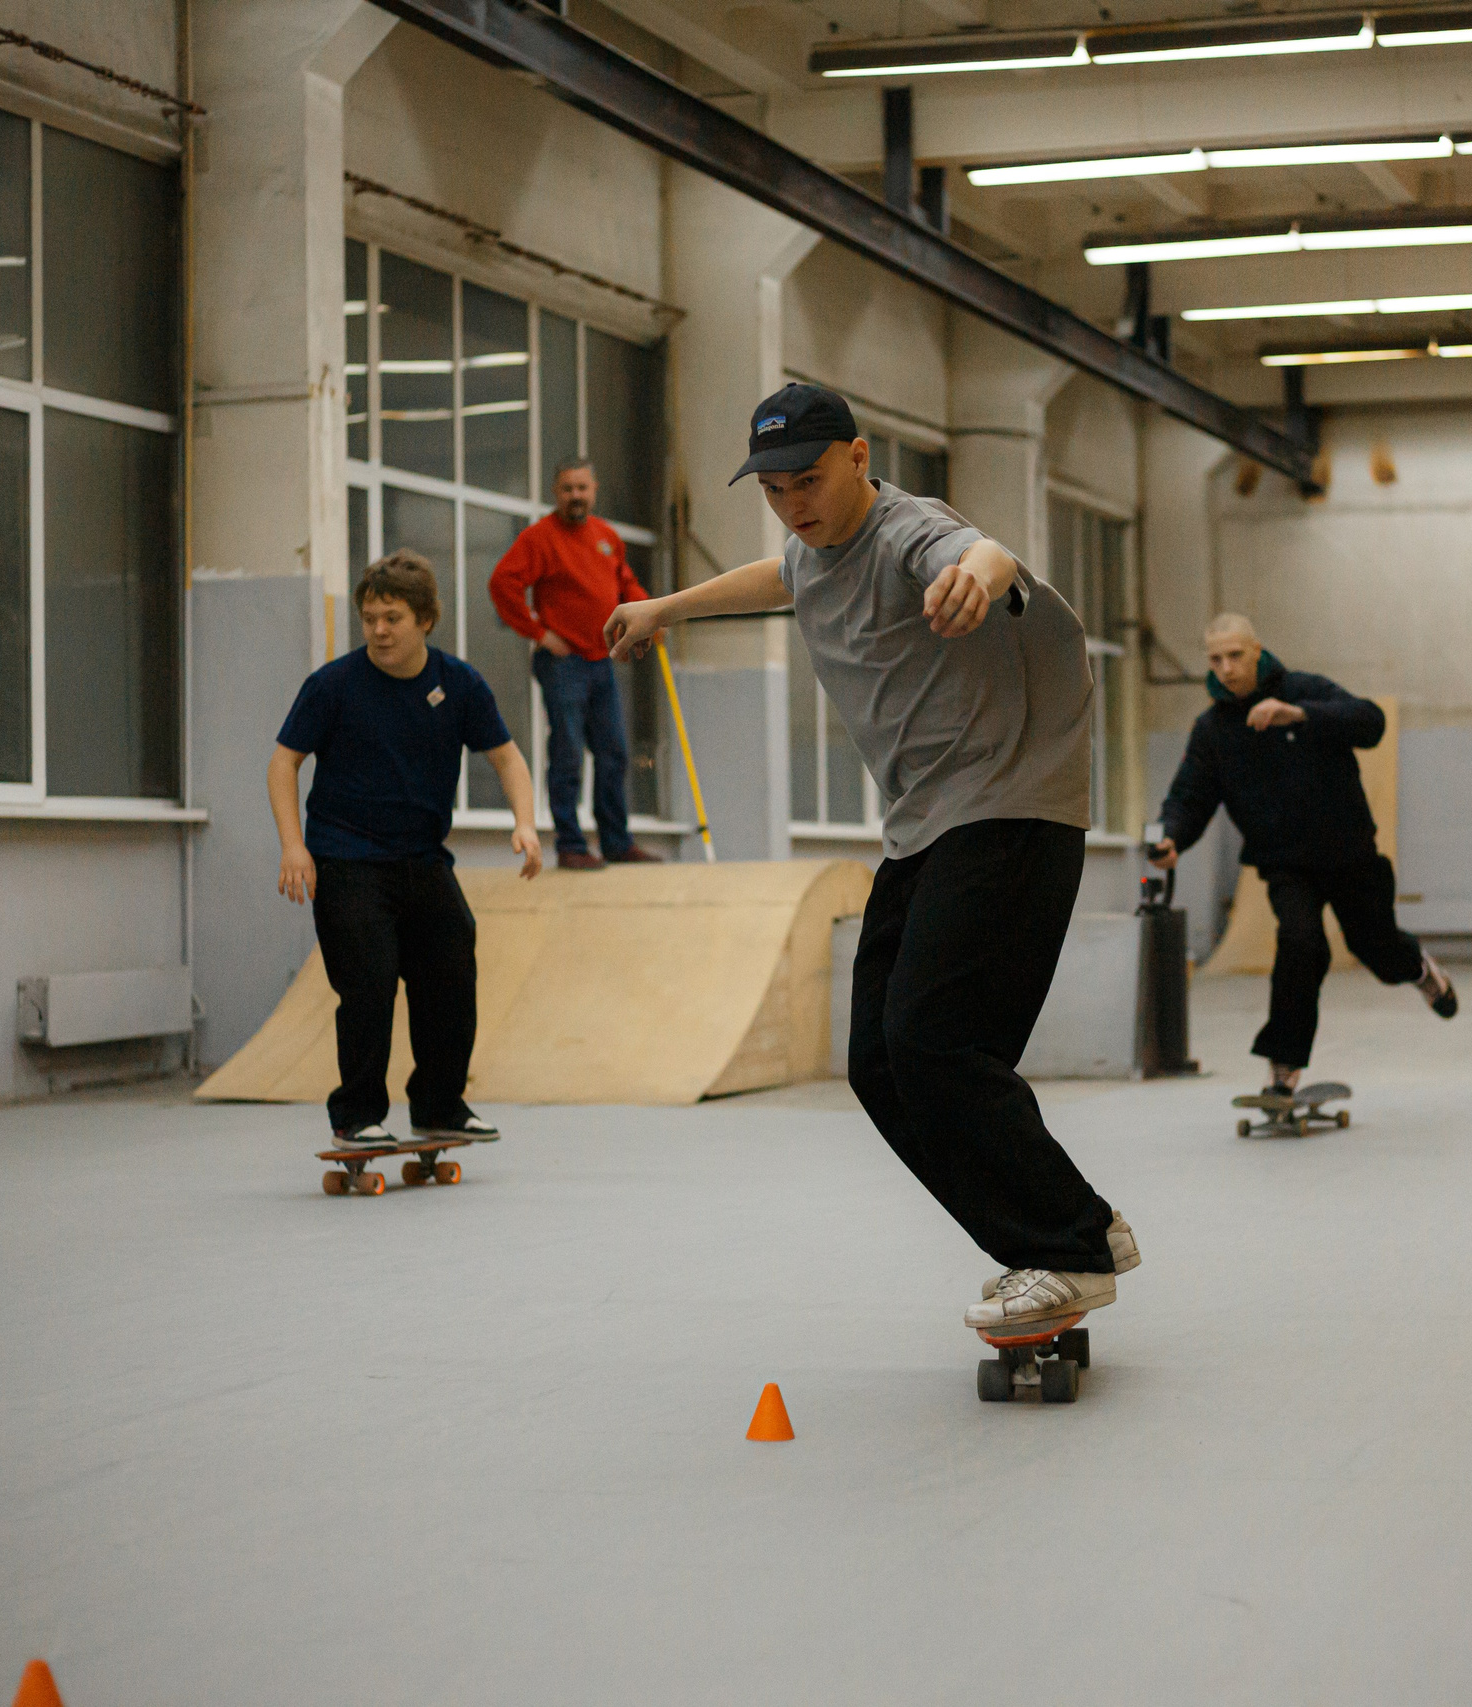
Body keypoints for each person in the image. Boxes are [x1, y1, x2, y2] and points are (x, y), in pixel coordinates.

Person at [601, 383, 1138, 1333]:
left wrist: (976, 570)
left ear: (857, 456)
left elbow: (984, 549)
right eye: (773, 490)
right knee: (878, 1063)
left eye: (809, 480)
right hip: (929, 823)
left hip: (1009, 806)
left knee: (936, 1039)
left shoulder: (905, 530)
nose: (794, 504)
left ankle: (1069, 1242)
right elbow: (780, 580)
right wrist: (665, 607)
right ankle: (1059, 1235)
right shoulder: (813, 551)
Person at [269, 550, 543, 1147]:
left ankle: (440, 1104)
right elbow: (284, 762)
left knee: (450, 965)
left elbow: (508, 757)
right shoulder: (334, 685)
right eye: (369, 618)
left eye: (392, 617)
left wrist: (525, 823)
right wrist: (294, 846)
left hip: (421, 858)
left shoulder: (459, 683)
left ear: (425, 619)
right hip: (346, 858)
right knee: (368, 982)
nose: (379, 630)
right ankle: (357, 1115)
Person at [1151, 612, 1456, 1101]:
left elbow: (1370, 723)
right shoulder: (1213, 730)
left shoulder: (1305, 689)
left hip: (1350, 852)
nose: (1226, 668)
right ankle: (1283, 1067)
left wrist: (1303, 715)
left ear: (1256, 651)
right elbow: (1189, 794)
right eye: (1215, 659)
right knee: (1300, 944)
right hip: (1285, 863)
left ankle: (1419, 969)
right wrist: (1171, 838)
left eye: (1235, 656)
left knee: (1375, 948)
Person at [486, 458, 663, 870]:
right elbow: (502, 584)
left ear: (594, 490)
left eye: (582, 488)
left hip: (603, 659)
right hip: (562, 663)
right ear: (555, 492)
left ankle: (617, 842)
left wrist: (653, 613)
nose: (575, 496)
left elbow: (626, 585)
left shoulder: (606, 537)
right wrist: (539, 633)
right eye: (567, 488)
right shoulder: (539, 538)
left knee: (614, 752)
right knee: (567, 752)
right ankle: (571, 846)